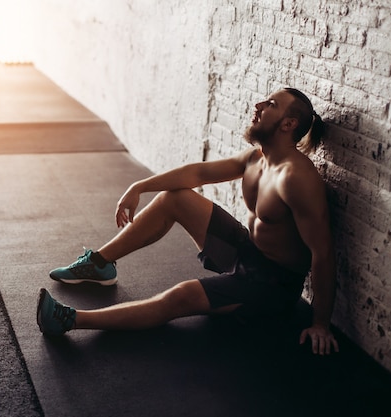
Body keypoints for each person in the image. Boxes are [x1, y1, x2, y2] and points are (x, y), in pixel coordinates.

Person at [37, 88, 339, 355]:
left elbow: (323, 253)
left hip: (271, 286)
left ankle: (69, 319)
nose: (258, 105)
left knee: (180, 297)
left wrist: (321, 324)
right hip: (248, 253)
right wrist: (138, 187)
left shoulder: (297, 177)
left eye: (271, 104)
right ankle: (101, 263)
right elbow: (197, 173)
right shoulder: (257, 158)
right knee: (175, 198)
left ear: (289, 124)